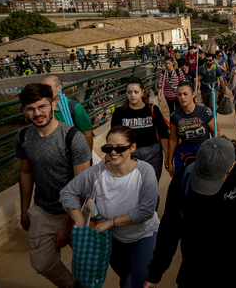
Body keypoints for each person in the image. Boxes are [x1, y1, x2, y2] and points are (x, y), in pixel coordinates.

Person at [143, 137, 236, 288]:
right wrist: (155, 273)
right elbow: (170, 229)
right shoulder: (184, 178)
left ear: (232, 165)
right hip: (193, 269)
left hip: (234, 271)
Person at [60, 126, 160, 288]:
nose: (113, 152)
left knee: (142, 283)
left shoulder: (144, 171)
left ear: (132, 147)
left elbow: (145, 212)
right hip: (111, 239)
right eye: (108, 148)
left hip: (144, 235)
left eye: (120, 148)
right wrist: (79, 221)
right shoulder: (95, 173)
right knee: (126, 278)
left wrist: (109, 223)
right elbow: (67, 193)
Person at [17, 83, 91, 288]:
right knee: (42, 263)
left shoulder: (73, 138)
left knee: (88, 265)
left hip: (77, 211)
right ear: (24, 110)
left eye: (42, 106)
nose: (37, 113)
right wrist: (24, 210)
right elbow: (26, 172)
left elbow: (82, 186)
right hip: (44, 209)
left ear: (53, 105)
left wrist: (68, 225)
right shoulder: (23, 137)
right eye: (30, 108)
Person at [111, 77, 169, 187]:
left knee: (150, 189)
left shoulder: (152, 109)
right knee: (132, 190)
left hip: (153, 155)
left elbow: (163, 133)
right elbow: (113, 138)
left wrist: (167, 156)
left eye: (136, 92)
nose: (132, 95)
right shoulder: (119, 113)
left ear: (142, 92)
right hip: (129, 157)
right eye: (129, 92)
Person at [168, 81, 216, 175]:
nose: (182, 97)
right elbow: (173, 139)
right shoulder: (175, 115)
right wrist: (170, 161)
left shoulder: (205, 112)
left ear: (194, 94)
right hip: (184, 153)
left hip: (203, 151)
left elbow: (215, 132)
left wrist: (214, 152)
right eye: (179, 94)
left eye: (185, 94)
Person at [41, 75, 94, 151]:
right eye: (42, 89)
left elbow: (87, 134)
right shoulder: (42, 110)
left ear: (59, 88)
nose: (44, 92)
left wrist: (88, 158)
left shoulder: (76, 108)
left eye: (48, 88)